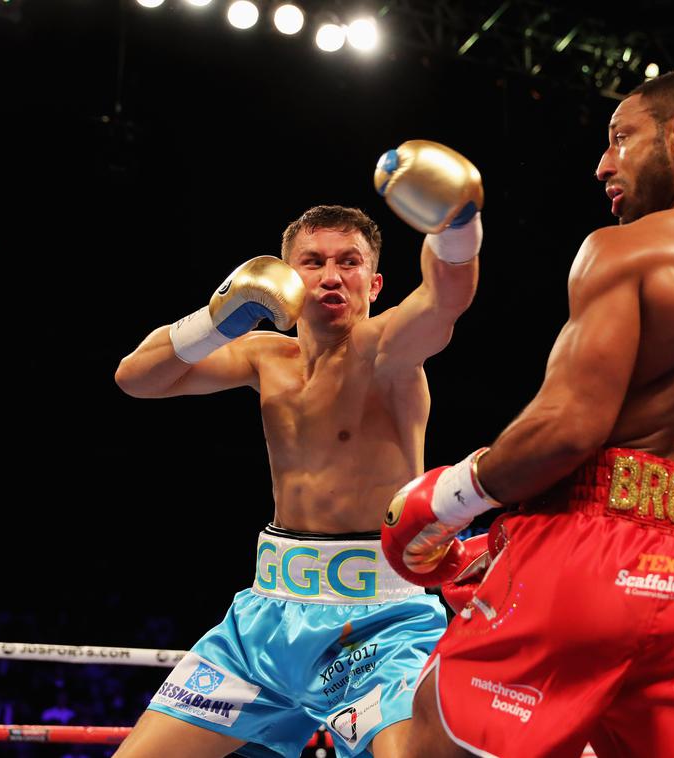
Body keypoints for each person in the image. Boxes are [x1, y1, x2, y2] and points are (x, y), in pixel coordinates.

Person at [383, 70, 674, 757]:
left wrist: (451, 497)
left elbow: (569, 428)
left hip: (591, 566)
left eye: (619, 139)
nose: (603, 163)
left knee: (428, 740)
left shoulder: (626, 246)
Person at [113, 140, 485, 758]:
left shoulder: (387, 351)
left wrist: (457, 224)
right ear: (288, 276)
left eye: (349, 261)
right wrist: (218, 319)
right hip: (263, 621)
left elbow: (447, 300)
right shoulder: (266, 358)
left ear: (376, 279)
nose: (332, 275)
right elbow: (136, 378)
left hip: (375, 623)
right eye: (312, 261)